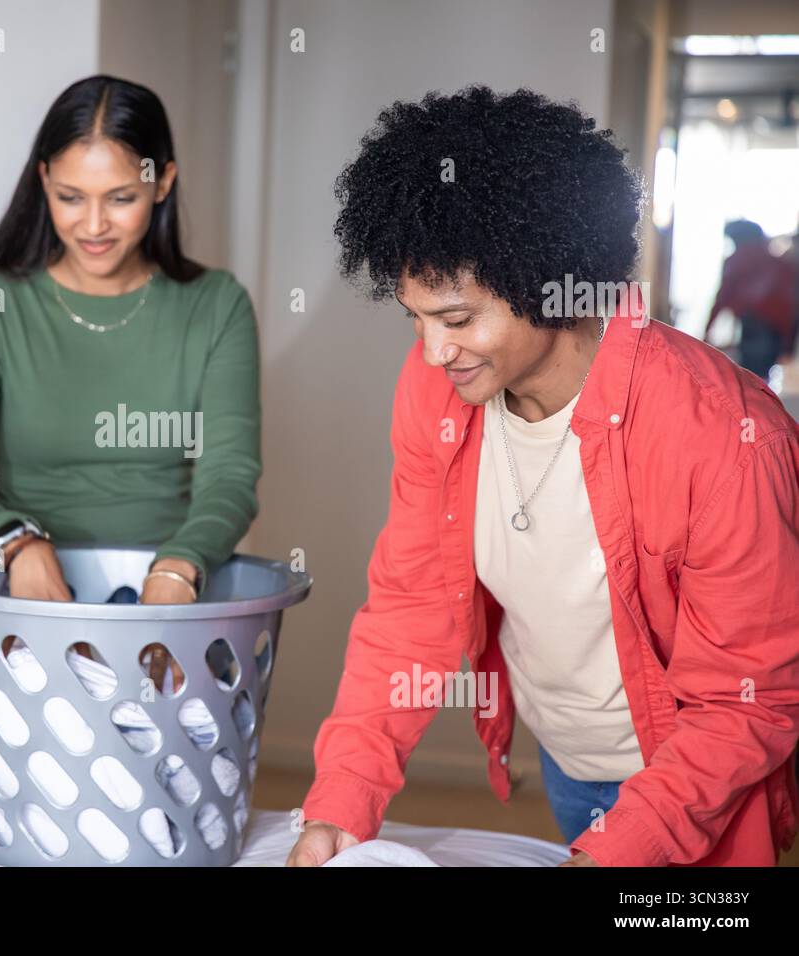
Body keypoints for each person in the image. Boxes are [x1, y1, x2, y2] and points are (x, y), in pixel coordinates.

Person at [287, 86, 799, 867]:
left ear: (547, 278)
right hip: (568, 764)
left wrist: (613, 851)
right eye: (413, 318)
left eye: (457, 320)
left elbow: (744, 704)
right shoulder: (436, 392)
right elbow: (411, 606)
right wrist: (342, 799)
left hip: (702, 792)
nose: (431, 352)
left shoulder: (729, 438)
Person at [0, 75, 261, 683]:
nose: (94, 225)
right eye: (72, 197)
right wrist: (17, 545)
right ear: (43, 181)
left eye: (122, 197)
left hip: (171, 607)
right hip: (25, 605)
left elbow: (230, 475)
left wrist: (178, 571)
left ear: (163, 184)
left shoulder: (216, 306)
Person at [704, 219, 798, 379]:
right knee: (760, 380)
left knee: (751, 381)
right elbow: (791, 306)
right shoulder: (781, 265)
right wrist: (788, 343)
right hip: (775, 330)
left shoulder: (738, 260)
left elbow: (723, 296)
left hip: (756, 327)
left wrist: (706, 332)